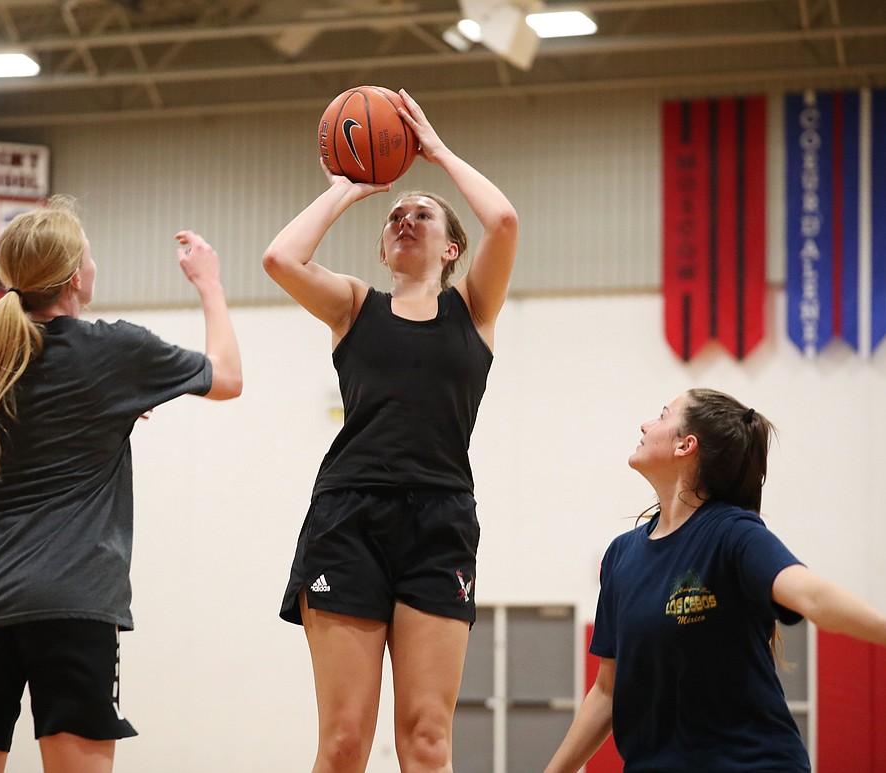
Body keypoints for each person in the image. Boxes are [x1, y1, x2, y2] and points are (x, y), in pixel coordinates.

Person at [0, 195, 242, 773]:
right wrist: (210, 284)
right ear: (73, 276)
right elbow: (229, 378)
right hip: (69, 600)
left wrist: (113, 407)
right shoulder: (114, 349)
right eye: (89, 254)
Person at [264, 89, 519, 773]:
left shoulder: (474, 307)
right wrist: (349, 188)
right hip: (349, 513)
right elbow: (281, 259)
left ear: (452, 246)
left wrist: (433, 152)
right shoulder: (354, 305)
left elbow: (503, 217)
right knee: (344, 742)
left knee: (428, 738)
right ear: (383, 245)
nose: (405, 217)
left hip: (441, 518)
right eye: (396, 214)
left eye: (423, 212)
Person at [545, 388, 886, 773]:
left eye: (661, 415)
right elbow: (607, 691)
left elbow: (812, 598)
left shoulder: (733, 533)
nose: (645, 424)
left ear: (685, 446)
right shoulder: (621, 555)